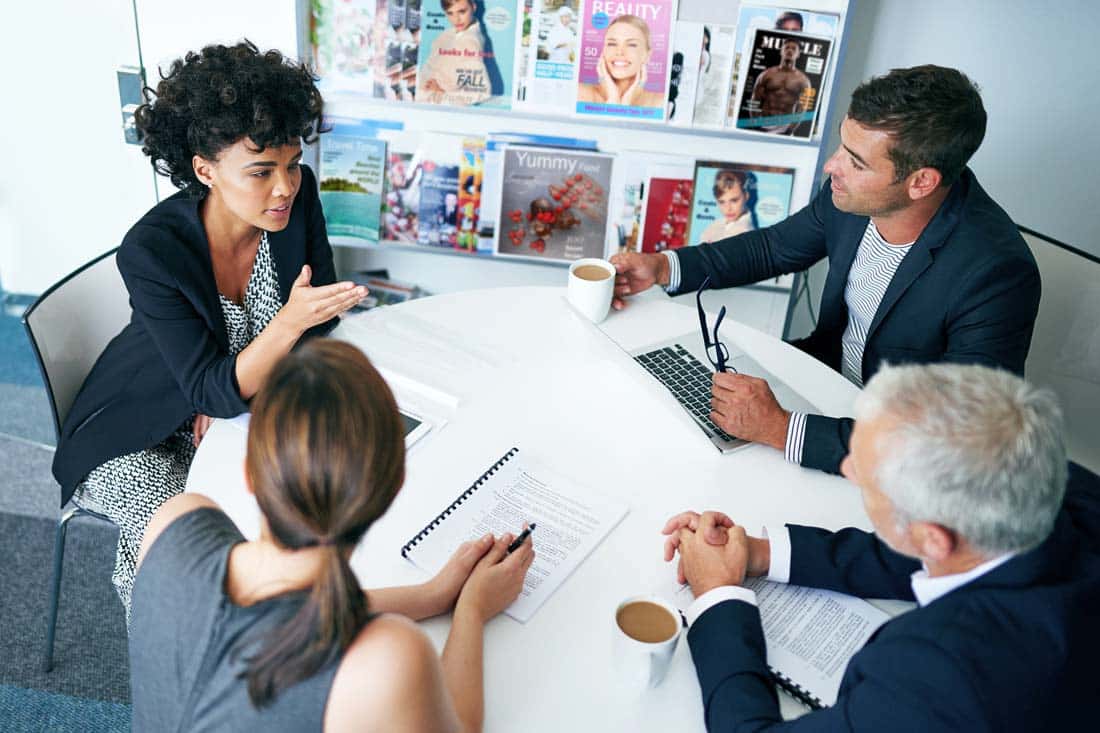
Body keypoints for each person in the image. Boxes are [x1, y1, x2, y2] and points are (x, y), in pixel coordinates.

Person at [51, 41, 367, 616]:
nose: (285, 186)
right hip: (134, 431)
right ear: (205, 170)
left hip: (235, 407)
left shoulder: (297, 201)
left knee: (316, 504)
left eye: (292, 163)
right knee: (196, 549)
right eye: (261, 171)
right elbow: (232, 370)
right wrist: (268, 345)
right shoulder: (152, 250)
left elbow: (318, 322)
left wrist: (236, 391)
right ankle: (174, 654)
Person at [610, 65, 1040, 475]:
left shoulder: (997, 274)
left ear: (921, 182)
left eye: (857, 162)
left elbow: (962, 441)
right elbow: (774, 248)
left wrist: (782, 429)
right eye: (842, 146)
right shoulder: (852, 196)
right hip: (820, 383)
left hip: (892, 449)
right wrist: (662, 266)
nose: (833, 166)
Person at [664, 363, 1100, 731]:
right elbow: (932, 552)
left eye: (871, 477)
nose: (849, 469)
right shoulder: (1052, 483)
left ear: (933, 538)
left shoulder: (933, 676)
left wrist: (717, 593)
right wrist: (763, 553)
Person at [129, 339, 534, 731]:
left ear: (250, 473)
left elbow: (281, 608)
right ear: (392, 488)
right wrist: (471, 611)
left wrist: (432, 596)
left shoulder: (176, 520)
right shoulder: (388, 658)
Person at [576, 14, 665, 109]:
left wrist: (626, 103)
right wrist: (613, 99)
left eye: (631, 45)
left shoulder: (660, 103)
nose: (619, 52)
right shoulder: (579, 94)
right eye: (612, 44)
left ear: (647, 55)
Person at [418, 0, 492, 106]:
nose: (456, 19)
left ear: (473, 6)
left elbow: (483, 92)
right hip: (422, 98)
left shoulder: (470, 41)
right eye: (450, 13)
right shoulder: (449, 34)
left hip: (438, 106)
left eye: (462, 11)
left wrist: (442, 93)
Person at [749, 38, 811, 134]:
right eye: (787, 48)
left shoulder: (803, 81)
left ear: (798, 54)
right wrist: (755, 124)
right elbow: (754, 100)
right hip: (764, 122)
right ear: (781, 51)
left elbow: (802, 110)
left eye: (794, 49)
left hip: (786, 125)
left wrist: (790, 129)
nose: (789, 50)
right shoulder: (766, 75)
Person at [698, 170, 758, 244]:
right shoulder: (716, 224)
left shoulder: (745, 233)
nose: (728, 208)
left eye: (734, 200)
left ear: (746, 196)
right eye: (722, 202)